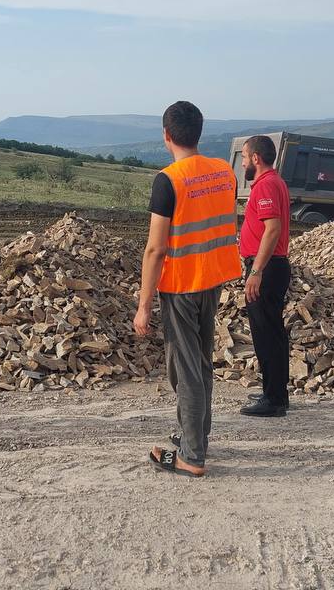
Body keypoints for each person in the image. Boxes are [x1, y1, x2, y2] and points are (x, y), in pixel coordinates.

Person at [134, 100, 241, 478]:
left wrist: (144, 304)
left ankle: (192, 455)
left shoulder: (169, 180)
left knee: (187, 367)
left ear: (166, 135)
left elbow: (156, 248)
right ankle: (194, 434)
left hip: (181, 284)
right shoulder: (223, 171)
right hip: (213, 278)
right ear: (200, 132)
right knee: (198, 363)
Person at [237, 135, 292, 417]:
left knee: (266, 334)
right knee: (274, 332)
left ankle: (273, 400)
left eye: (245, 157)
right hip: (273, 266)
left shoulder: (266, 185)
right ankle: (277, 392)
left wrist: (256, 271)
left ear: (256, 158)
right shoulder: (274, 182)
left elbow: (272, 229)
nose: (243, 162)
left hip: (267, 268)